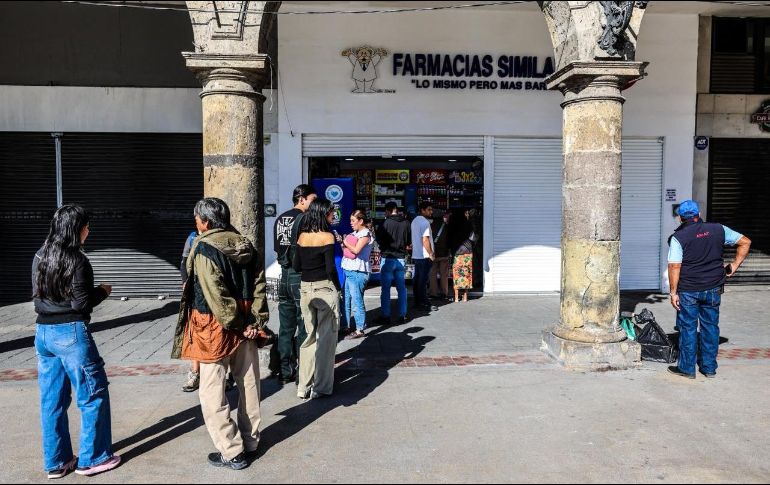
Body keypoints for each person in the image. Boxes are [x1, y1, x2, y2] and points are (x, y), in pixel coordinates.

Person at [171, 198, 269, 470]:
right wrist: (254, 321)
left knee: (211, 391)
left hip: (214, 328)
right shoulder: (245, 244)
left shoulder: (204, 248)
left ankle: (231, 450)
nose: (196, 224)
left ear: (205, 222)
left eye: (197, 219)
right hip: (245, 323)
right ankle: (250, 441)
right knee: (249, 384)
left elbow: (216, 295)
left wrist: (237, 323)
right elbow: (259, 286)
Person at [32, 204, 121, 479]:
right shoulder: (78, 260)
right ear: (75, 229)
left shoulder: (40, 255)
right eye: (86, 226)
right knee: (92, 394)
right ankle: (93, 458)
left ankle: (57, 462)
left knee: (52, 401)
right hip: (71, 333)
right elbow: (81, 304)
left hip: (43, 333)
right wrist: (102, 291)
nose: (88, 231)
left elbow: (37, 295)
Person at [667, 200, 751, 380]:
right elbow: (745, 242)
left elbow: (674, 266)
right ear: (698, 214)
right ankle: (709, 368)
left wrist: (673, 292)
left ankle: (687, 369)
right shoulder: (718, 229)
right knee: (710, 326)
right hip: (713, 287)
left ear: (680, 218)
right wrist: (734, 265)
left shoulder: (678, 237)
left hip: (688, 290)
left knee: (688, 328)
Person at [292, 199, 341, 399]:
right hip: (325, 288)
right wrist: (338, 288)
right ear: (323, 213)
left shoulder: (302, 236)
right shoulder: (327, 236)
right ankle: (321, 387)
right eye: (330, 212)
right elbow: (330, 268)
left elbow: (296, 266)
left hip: (305, 288)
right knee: (326, 340)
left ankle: (303, 386)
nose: (333, 215)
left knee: (309, 338)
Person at [274, 184, 317, 384]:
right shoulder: (305, 219)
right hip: (299, 275)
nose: (314, 204)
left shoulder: (280, 219)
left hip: (283, 275)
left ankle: (285, 370)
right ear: (302, 199)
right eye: (312, 200)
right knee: (304, 323)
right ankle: (303, 371)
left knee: (285, 326)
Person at [339, 209, 374, 339]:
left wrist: (345, 242)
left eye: (353, 220)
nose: (351, 223)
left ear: (361, 221)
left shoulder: (366, 234)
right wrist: (342, 243)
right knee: (346, 299)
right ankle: (345, 326)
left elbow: (356, 250)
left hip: (358, 271)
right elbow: (346, 250)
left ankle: (360, 329)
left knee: (356, 300)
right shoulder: (354, 233)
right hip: (349, 269)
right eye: (350, 220)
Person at [375, 202, 411, 325]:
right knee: (402, 288)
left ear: (388, 211)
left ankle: (386, 316)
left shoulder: (385, 223)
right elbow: (408, 241)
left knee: (385, 289)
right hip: (401, 258)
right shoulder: (406, 223)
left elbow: (379, 240)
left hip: (387, 258)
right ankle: (403, 315)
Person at [411, 201, 438, 312]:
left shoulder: (414, 221)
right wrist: (431, 253)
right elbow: (425, 239)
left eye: (431, 210)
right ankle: (424, 302)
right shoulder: (425, 222)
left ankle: (417, 301)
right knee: (423, 280)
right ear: (422, 210)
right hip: (425, 256)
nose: (431, 212)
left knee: (417, 279)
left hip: (417, 255)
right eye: (429, 210)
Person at [453, 209, 479, 303]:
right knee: (466, 273)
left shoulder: (453, 224)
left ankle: (456, 298)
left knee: (457, 274)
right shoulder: (468, 224)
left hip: (456, 252)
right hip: (467, 251)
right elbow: (473, 237)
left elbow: (450, 239)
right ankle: (465, 297)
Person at [429, 211, 451, 301]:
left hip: (433, 253)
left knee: (432, 274)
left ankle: (433, 293)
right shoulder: (446, 226)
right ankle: (444, 293)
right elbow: (449, 240)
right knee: (444, 274)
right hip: (444, 253)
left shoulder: (430, 226)